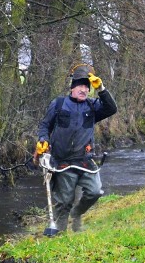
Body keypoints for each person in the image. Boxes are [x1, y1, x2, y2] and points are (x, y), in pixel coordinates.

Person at [35, 64, 117, 233]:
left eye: (87, 86)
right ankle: (59, 236)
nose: (84, 89)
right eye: (80, 85)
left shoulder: (93, 106)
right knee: (64, 202)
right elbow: (44, 125)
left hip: (85, 161)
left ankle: (77, 212)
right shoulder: (58, 104)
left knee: (95, 192)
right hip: (63, 162)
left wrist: (101, 89)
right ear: (72, 87)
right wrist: (43, 139)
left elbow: (111, 108)